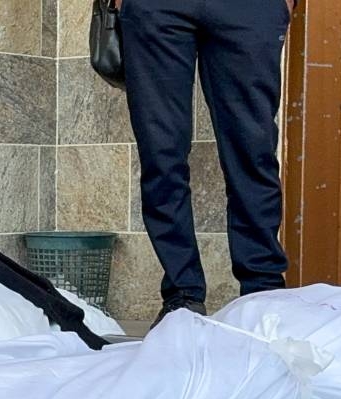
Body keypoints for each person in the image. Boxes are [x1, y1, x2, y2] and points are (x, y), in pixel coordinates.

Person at [117, 0, 295, 327]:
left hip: (250, 9)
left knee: (253, 153)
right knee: (161, 156)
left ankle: (264, 290)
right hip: (158, 10)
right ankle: (181, 295)